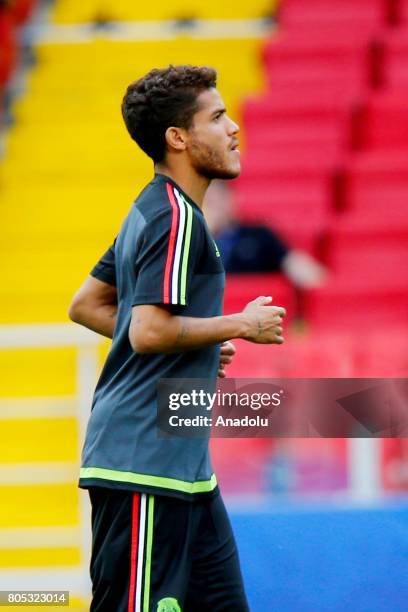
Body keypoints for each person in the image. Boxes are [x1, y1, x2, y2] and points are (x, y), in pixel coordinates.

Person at [69, 64, 286, 612]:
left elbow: (89, 305)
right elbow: (147, 330)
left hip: (185, 471)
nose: (234, 127)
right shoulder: (175, 219)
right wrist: (240, 324)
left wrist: (198, 340)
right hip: (142, 464)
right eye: (217, 116)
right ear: (178, 138)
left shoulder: (151, 208)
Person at [204, 180, 327, 288]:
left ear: (231, 199)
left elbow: (296, 266)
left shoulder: (259, 235)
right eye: (207, 201)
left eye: (218, 199)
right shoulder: (192, 241)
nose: (214, 207)